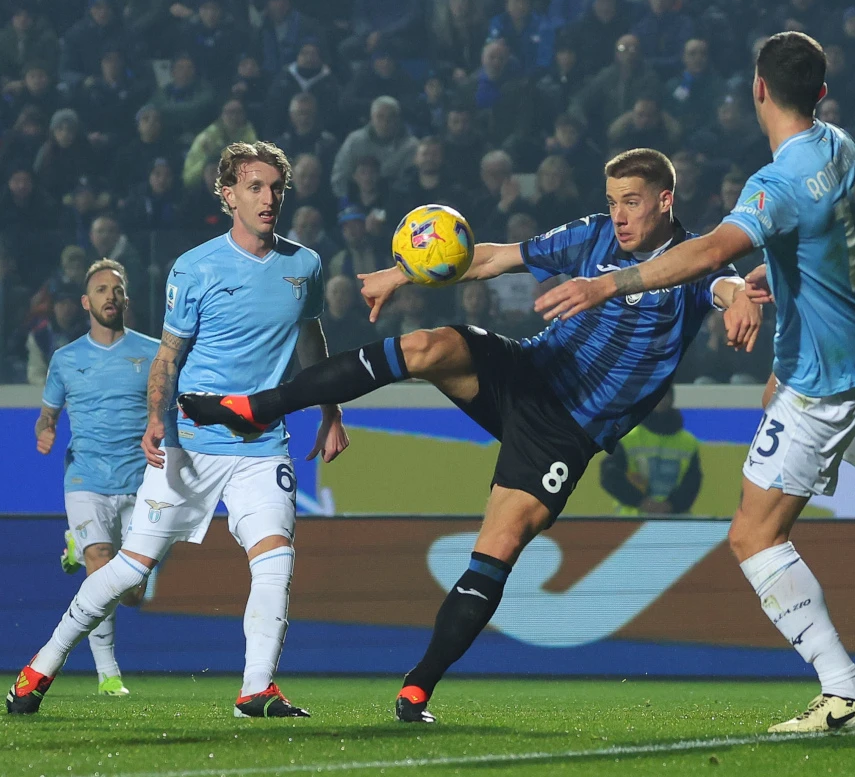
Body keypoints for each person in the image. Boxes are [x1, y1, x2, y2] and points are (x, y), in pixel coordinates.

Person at [175, 147, 759, 724]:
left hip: (566, 430)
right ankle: (257, 407)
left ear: (665, 200)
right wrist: (402, 273)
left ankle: (417, 688)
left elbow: (726, 286)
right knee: (428, 346)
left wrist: (738, 303)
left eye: (630, 202)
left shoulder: (692, 262)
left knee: (498, 548)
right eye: (612, 202)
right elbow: (496, 258)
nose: (619, 216)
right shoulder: (593, 234)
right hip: (526, 372)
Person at [534, 32, 855, 733]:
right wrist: (788, 266)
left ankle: (845, 691)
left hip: (825, 366)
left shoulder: (776, 183)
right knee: (789, 409)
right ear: (820, 93)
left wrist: (606, 285)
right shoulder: (841, 145)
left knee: (753, 534)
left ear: (759, 89)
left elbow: (711, 250)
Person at [6, 142, 349, 717]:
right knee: (130, 570)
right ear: (229, 195)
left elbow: (311, 341)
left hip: (264, 445)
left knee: (276, 557)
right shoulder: (194, 267)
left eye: (276, 188)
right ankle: (41, 665)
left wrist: (330, 411)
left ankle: (256, 688)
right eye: (255, 187)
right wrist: (154, 420)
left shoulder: (305, 265)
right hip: (192, 443)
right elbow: (167, 357)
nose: (268, 199)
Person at [30, 259, 159, 698]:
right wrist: (46, 430)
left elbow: (169, 413)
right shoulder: (66, 359)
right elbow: (47, 416)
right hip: (85, 479)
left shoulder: (153, 353)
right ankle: (108, 674)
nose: (110, 296)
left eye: (117, 290)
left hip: (140, 483)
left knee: (133, 593)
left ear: (126, 300)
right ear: (86, 302)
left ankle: (74, 543)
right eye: (102, 289)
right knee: (100, 568)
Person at [600, 386, 702, 515]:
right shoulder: (627, 438)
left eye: (665, 395)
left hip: (673, 522)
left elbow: (692, 482)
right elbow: (609, 476)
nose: (662, 400)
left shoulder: (688, 442)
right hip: (634, 522)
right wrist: (640, 501)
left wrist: (671, 505)